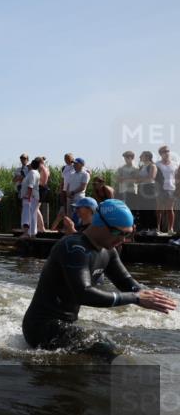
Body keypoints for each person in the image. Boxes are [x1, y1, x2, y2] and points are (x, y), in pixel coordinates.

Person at [21, 199, 175, 360]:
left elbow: (126, 282)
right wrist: (134, 298)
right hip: (40, 327)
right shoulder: (74, 248)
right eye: (119, 233)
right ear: (100, 224)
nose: (123, 239)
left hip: (65, 324)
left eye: (128, 233)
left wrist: (149, 295)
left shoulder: (108, 251)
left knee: (123, 347)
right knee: (109, 351)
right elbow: (84, 293)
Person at [20, 158, 42, 238]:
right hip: (33, 197)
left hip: (30, 197)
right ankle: (32, 233)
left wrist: (28, 197)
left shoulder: (32, 172)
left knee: (27, 215)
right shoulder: (35, 172)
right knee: (32, 215)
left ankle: (26, 233)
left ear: (32, 165)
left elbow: (31, 186)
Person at [155, 145, 175, 234]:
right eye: (164, 151)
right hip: (160, 189)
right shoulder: (157, 164)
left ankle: (170, 229)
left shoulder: (175, 164)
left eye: (168, 151)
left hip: (171, 189)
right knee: (159, 209)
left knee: (170, 209)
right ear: (160, 154)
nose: (166, 153)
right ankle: (157, 229)